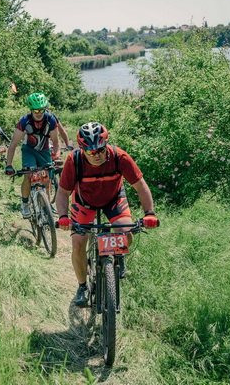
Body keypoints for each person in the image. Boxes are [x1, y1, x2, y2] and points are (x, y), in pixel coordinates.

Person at [55, 122, 160, 307]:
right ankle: (82, 286)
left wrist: (149, 213)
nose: (97, 155)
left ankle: (118, 258)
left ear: (106, 145)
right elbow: (63, 192)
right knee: (78, 244)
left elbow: (140, 186)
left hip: (114, 200)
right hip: (84, 202)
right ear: (83, 150)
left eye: (101, 150)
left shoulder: (120, 157)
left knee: (126, 232)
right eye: (91, 152)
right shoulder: (74, 160)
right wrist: (63, 217)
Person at [5, 93, 61, 218]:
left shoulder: (51, 120)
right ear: (31, 110)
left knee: (47, 180)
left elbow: (56, 142)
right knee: (28, 176)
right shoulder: (24, 121)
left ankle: (46, 208)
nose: (38, 113)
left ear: (45, 109)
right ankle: (25, 204)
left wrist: (57, 157)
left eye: (41, 110)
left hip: (44, 150)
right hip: (29, 151)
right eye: (36, 110)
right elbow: (13, 144)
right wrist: (9, 165)